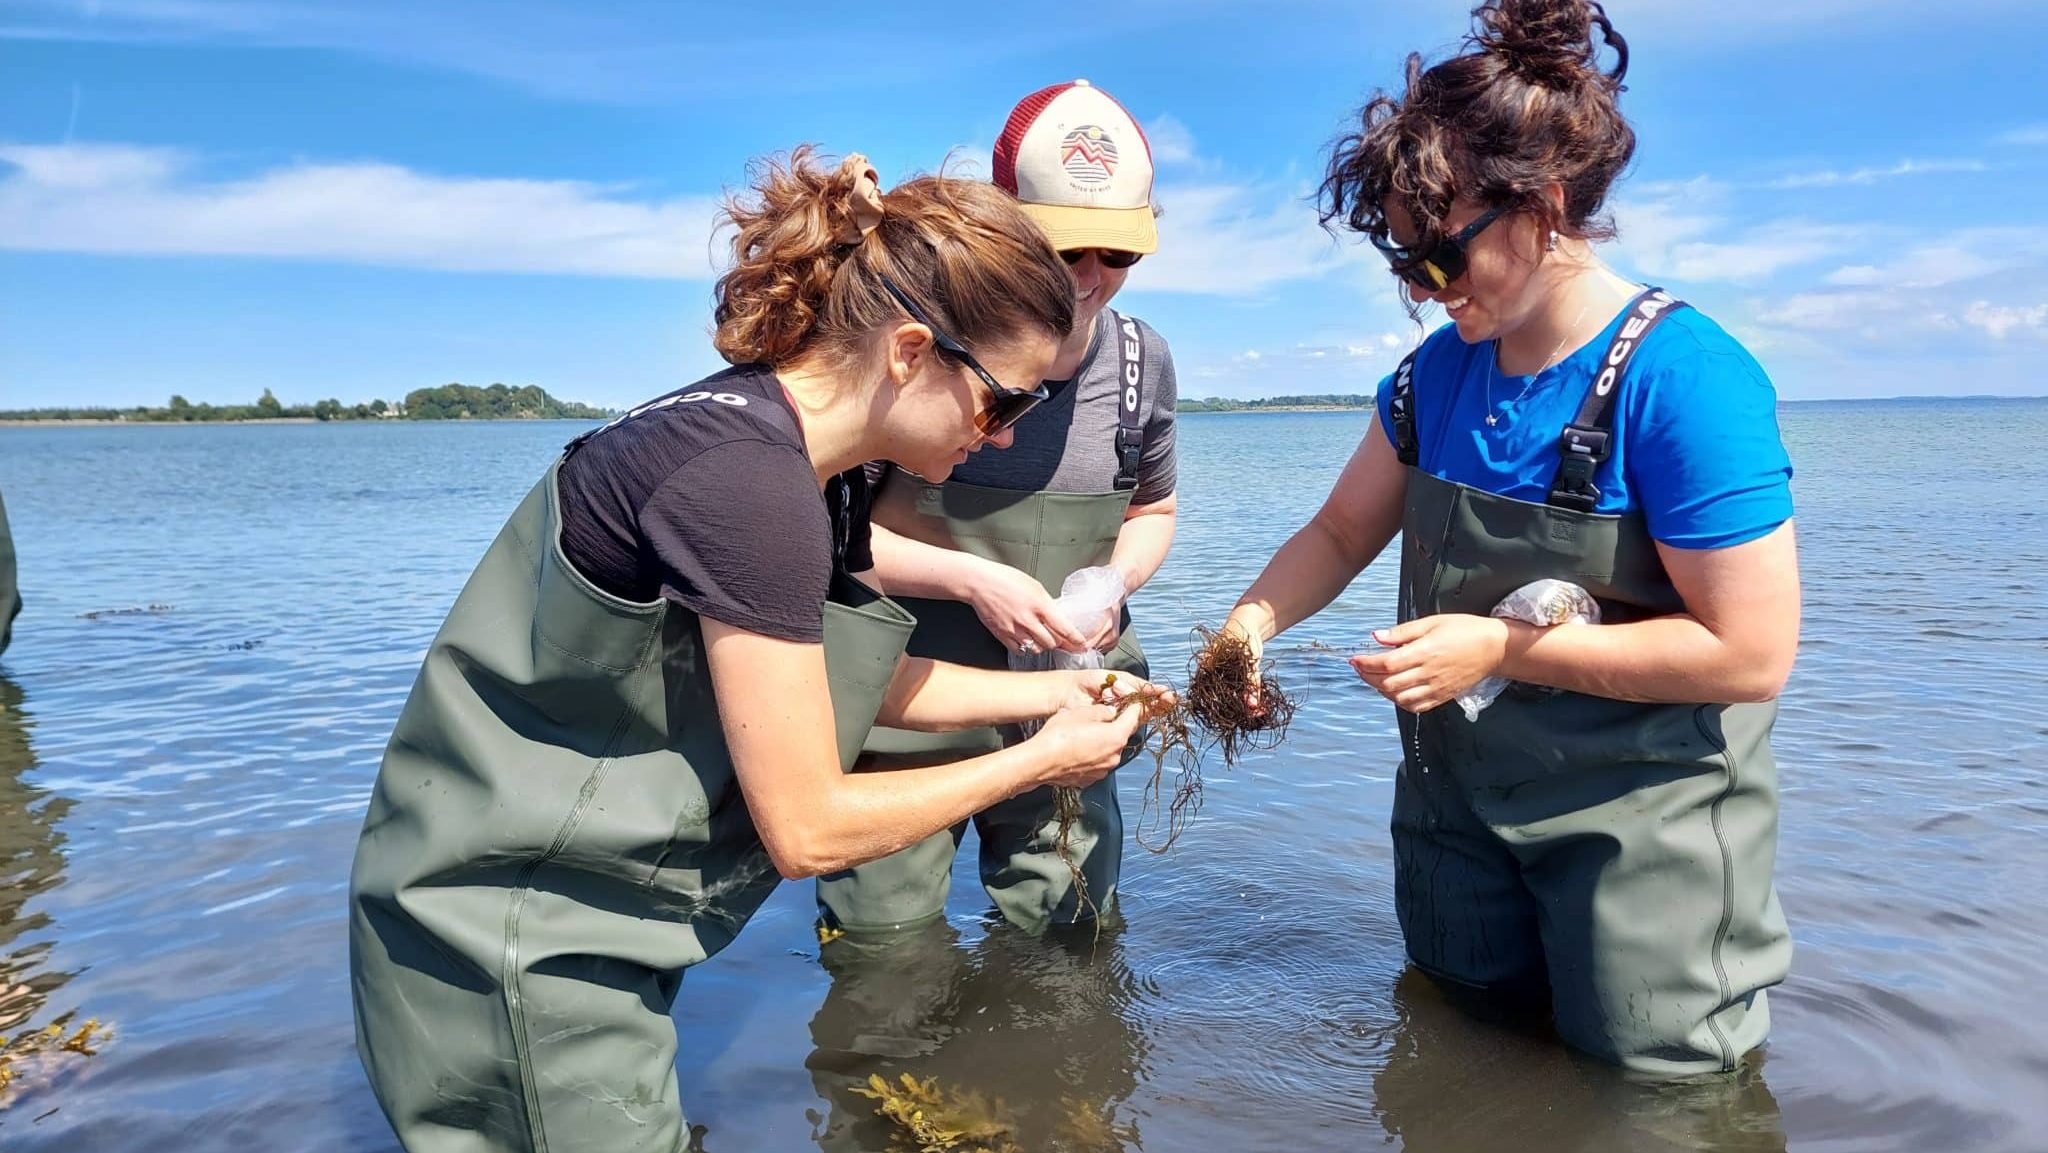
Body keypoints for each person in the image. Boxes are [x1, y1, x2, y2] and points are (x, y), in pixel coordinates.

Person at [348, 147, 1160, 1153]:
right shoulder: (748, 487)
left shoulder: (802, 466)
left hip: (583, 919)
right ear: (910, 352)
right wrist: (1041, 760)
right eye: (1002, 400)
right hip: (510, 941)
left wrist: (1047, 704)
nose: (1001, 437)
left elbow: (848, 683)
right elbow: (807, 830)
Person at [1220, 0, 1799, 1076]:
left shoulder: (1686, 380)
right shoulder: (1432, 376)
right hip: (1456, 816)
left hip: (1643, 834)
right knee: (1455, 1056)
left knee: (1654, 1093)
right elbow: (1342, 527)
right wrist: (1244, 627)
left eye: (1437, 257)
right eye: (1399, 260)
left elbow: (1748, 653)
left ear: (1541, 206)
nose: (1418, 291)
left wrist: (1498, 649)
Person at [817, 80, 1180, 937]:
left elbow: (1155, 509)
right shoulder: (915, 351)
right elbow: (825, 535)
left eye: (1116, 255)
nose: (1090, 281)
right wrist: (969, 577)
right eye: (1065, 252)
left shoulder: (1142, 365)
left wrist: (1112, 580)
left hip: (1066, 698)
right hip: (907, 701)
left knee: (1070, 934)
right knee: (879, 944)